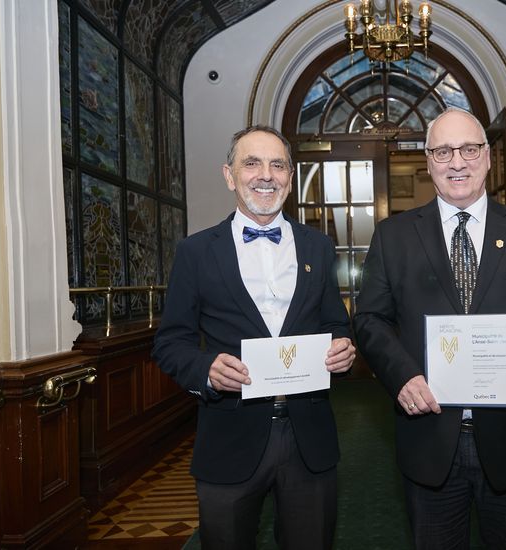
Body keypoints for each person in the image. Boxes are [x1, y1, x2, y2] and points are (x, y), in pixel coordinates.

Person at [353, 108, 506, 549]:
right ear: (428, 161)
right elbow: (369, 319)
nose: (456, 162)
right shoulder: (393, 236)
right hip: (428, 439)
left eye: (468, 149)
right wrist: (401, 376)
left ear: (488, 157)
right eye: (443, 151)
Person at [152, 124, 355, 550]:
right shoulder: (195, 252)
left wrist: (342, 348)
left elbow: (336, 323)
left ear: (290, 177)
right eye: (252, 163)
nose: (266, 174)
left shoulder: (318, 247)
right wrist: (205, 369)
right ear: (230, 175)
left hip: (309, 438)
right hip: (229, 437)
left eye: (277, 164)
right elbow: (171, 343)